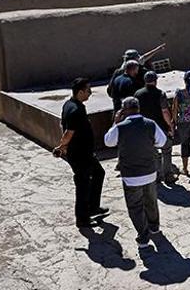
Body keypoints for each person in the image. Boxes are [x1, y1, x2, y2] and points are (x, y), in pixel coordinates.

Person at [104, 97, 167, 249]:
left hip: (131, 175)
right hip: (149, 171)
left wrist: (116, 122)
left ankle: (143, 236)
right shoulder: (150, 124)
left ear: (124, 110)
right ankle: (154, 226)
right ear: (138, 108)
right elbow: (162, 141)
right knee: (151, 200)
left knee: (135, 206)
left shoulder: (120, 127)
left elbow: (108, 142)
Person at [53, 78, 107, 228]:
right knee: (82, 184)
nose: (90, 93)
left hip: (86, 153)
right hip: (79, 154)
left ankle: (93, 207)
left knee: (98, 173)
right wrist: (62, 146)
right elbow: (68, 133)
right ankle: (82, 219)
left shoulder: (71, 105)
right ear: (80, 91)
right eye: (88, 90)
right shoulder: (75, 110)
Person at [134, 71, 175, 184]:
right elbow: (165, 111)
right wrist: (170, 125)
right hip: (160, 127)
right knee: (166, 149)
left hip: (144, 127)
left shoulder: (137, 94)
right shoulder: (160, 94)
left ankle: (156, 176)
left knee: (153, 152)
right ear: (156, 81)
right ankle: (168, 175)